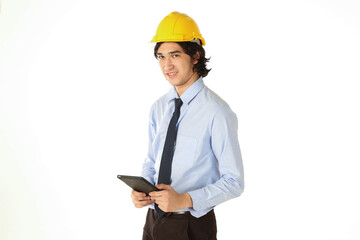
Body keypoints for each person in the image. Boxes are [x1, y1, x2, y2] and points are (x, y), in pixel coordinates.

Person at [131, 11, 244, 240]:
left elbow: (234, 182)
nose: (167, 65)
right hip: (154, 220)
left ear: (195, 56)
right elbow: (152, 161)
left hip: (191, 225)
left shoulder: (217, 112)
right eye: (161, 57)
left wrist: (185, 200)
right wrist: (143, 190)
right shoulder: (159, 107)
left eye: (174, 55)